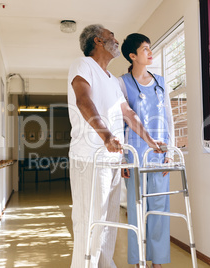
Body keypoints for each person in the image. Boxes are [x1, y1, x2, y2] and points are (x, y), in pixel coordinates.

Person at [68, 25, 165, 268]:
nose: (117, 40)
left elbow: (129, 114)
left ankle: (104, 265)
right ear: (98, 41)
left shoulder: (111, 79)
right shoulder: (83, 65)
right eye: (112, 37)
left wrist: (151, 143)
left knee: (108, 222)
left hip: (111, 159)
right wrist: (107, 136)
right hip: (89, 158)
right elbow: (83, 100)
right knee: (89, 220)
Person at [119, 33, 175, 268]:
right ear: (133, 56)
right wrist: (123, 158)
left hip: (160, 156)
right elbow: (121, 121)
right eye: (145, 49)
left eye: (150, 48)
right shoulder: (122, 82)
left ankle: (158, 262)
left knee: (160, 209)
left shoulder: (161, 82)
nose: (150, 52)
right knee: (137, 208)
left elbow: (169, 119)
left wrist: (170, 152)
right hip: (134, 156)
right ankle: (139, 260)